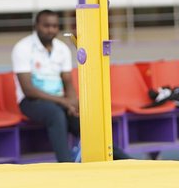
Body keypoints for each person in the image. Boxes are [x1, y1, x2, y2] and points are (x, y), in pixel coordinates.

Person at [12, 10, 128, 162]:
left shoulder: (62, 49)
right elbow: (28, 90)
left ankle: (123, 159)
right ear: (36, 26)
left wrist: (73, 103)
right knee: (56, 114)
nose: (51, 30)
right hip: (31, 102)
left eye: (54, 26)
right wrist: (64, 102)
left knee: (86, 117)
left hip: (60, 101)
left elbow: (68, 82)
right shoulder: (22, 48)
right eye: (46, 25)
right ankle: (65, 165)